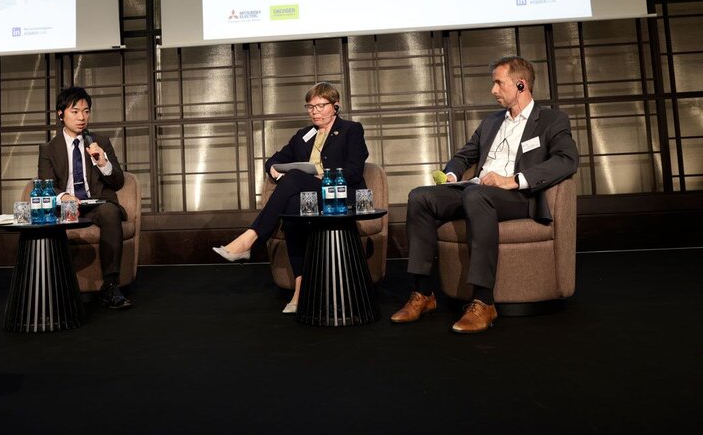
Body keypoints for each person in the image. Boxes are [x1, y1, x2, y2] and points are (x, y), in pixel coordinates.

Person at [392, 55, 579, 333]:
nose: (493, 90)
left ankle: (483, 301)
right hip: (476, 189)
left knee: (475, 196)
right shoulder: (492, 121)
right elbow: (464, 156)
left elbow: (567, 160)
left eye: (498, 83)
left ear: (520, 84)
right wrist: (452, 175)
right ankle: (423, 294)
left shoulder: (551, 120)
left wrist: (513, 180)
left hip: (517, 195)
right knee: (420, 196)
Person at [213, 82, 369, 313]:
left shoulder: (351, 130)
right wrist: (275, 171)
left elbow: (354, 171)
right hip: (310, 195)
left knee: (295, 177)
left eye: (320, 106)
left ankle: (251, 237)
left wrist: (322, 176)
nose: (314, 111)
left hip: (341, 193)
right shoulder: (304, 135)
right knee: (293, 207)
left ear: (335, 106)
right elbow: (273, 160)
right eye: (310, 107)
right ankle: (300, 290)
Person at [38, 86, 132, 310]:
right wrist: (64, 196)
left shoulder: (100, 141)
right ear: (61, 114)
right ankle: (57, 288)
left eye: (86, 111)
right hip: (67, 206)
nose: (82, 117)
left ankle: (111, 286)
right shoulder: (49, 149)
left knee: (110, 211)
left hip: (96, 203)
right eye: (75, 111)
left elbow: (118, 182)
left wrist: (102, 162)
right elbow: (47, 185)